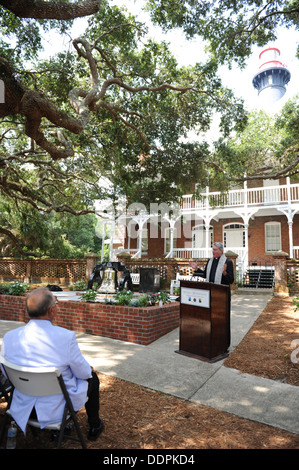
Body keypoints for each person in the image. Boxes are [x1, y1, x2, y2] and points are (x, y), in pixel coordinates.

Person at [0, 287, 104, 441]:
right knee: (92, 378)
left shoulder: (10, 337)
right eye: (56, 303)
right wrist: (88, 370)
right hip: (56, 410)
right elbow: (83, 374)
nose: (57, 306)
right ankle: (95, 424)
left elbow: (5, 371)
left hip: (22, 407)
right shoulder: (65, 337)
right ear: (51, 310)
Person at [189, 242, 234, 349]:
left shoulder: (228, 262)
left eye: (215, 249)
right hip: (210, 294)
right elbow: (205, 275)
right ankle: (213, 342)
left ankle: (224, 344)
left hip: (222, 296)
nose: (213, 251)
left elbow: (231, 280)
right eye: (212, 249)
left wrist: (224, 273)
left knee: (223, 320)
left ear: (221, 251)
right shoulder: (210, 261)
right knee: (211, 319)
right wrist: (196, 269)